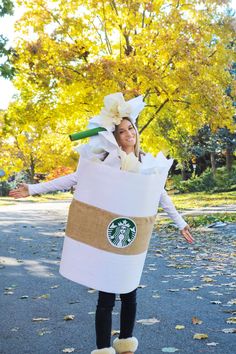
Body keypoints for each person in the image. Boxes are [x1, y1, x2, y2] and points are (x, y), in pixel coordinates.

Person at [10, 93, 194, 354]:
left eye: (131, 128)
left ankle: (126, 345)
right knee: (107, 295)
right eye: (122, 131)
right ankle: (103, 348)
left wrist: (181, 223)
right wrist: (33, 188)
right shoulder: (108, 160)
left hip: (132, 235)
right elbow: (74, 178)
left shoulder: (147, 162)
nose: (128, 133)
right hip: (108, 234)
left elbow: (160, 195)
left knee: (129, 291)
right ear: (115, 136)